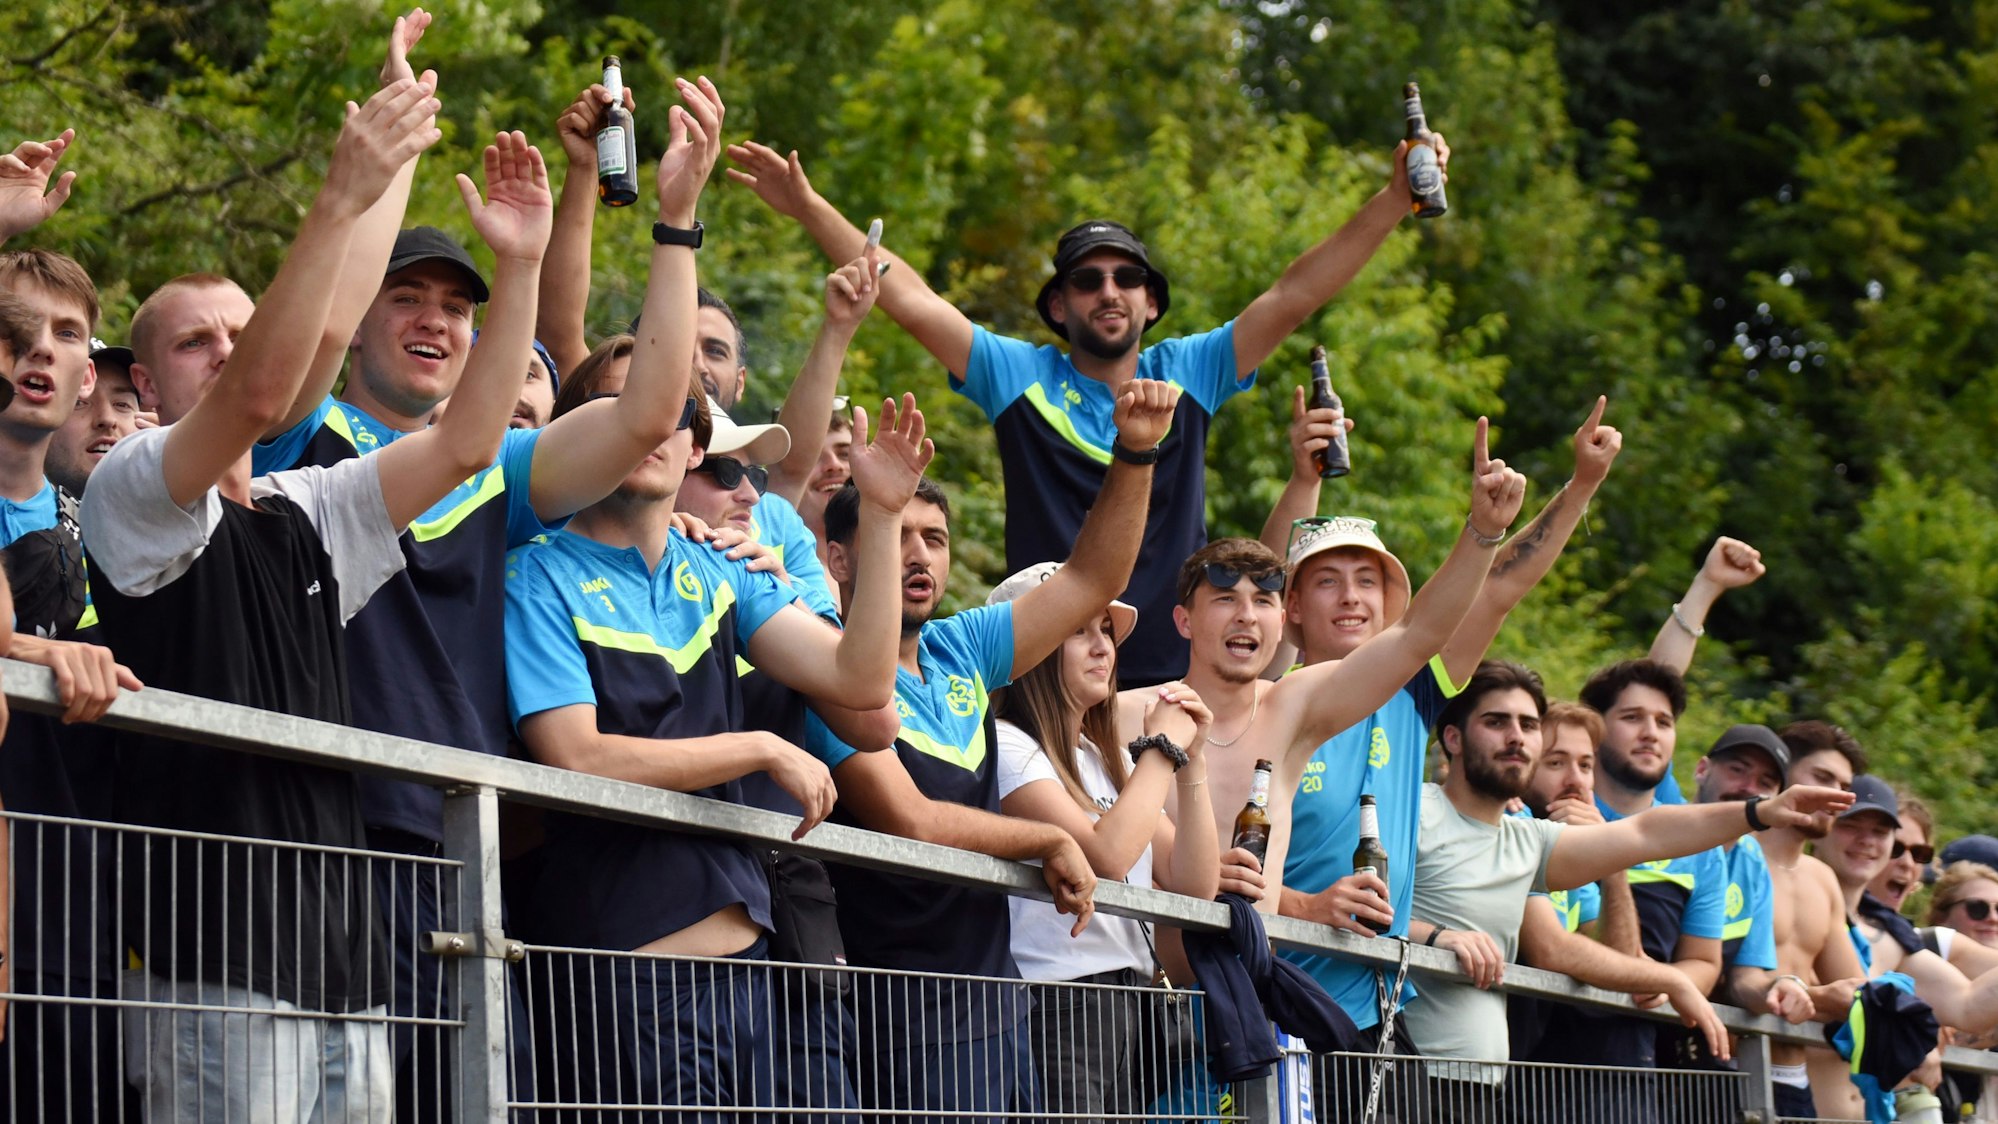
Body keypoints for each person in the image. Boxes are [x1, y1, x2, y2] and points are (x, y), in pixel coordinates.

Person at [80, 81, 534, 1120]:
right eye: (199, 339)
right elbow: (257, 395)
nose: (234, 350)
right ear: (146, 387)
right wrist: (342, 192)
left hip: (343, 966)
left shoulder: (306, 509)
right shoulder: (135, 491)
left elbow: (467, 441)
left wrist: (520, 266)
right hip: (212, 960)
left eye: (247, 326)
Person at [726, 130, 1450, 685]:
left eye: (1127, 277)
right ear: (1058, 305)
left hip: (1175, 669)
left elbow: (1295, 294)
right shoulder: (1020, 375)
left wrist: (1394, 200)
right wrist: (807, 205)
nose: (1109, 291)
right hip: (1048, 667)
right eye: (1088, 279)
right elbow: (908, 295)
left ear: (1151, 300)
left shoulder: (1190, 370)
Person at [801, 381, 1184, 1123]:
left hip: (994, 1001)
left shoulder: (961, 648)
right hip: (899, 1010)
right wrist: (1045, 838)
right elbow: (909, 819)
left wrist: (1136, 451)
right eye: (895, 532)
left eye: (934, 539)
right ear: (838, 561)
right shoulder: (819, 661)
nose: (918, 555)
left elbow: (1091, 579)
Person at [1272, 397, 1620, 1070]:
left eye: (1367, 581)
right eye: (1328, 582)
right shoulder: (1265, 706)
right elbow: (1203, 872)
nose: (1351, 596)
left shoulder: (1411, 694)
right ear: (1291, 607)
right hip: (1268, 999)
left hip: (1375, 1014)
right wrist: (1304, 906)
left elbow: (1498, 589)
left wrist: (1579, 486)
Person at [1402, 661, 1845, 1090]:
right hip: (1394, 1074)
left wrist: (1760, 812)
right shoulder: (1413, 809)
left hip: (1478, 1085)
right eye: (1497, 722)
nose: (1516, 737)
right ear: (1453, 738)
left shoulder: (1527, 841)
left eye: (1529, 725)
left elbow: (1644, 832)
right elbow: (1340, 903)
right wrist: (1437, 936)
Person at [988, 562, 1224, 1119]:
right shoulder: (1005, 745)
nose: (1102, 648)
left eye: (1106, 632)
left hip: (1127, 1001)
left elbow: (1194, 884)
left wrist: (1192, 763)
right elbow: (1108, 857)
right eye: (1077, 630)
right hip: (1054, 998)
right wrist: (1163, 747)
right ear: (1031, 645)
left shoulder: (1102, 758)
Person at [1872, 789, 1936, 915]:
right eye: (1894, 848)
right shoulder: (1828, 922)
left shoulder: (1910, 934)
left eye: (1918, 853)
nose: (1907, 863)